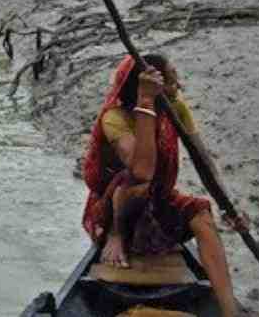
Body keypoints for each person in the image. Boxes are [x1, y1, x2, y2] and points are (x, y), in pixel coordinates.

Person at [81, 54, 247, 317]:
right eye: (170, 81)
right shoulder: (115, 116)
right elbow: (141, 171)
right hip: (116, 210)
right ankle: (117, 236)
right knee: (136, 183)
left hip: (157, 200)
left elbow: (203, 161)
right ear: (148, 87)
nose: (178, 87)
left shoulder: (175, 107)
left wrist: (230, 208)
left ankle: (230, 312)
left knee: (202, 215)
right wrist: (146, 103)